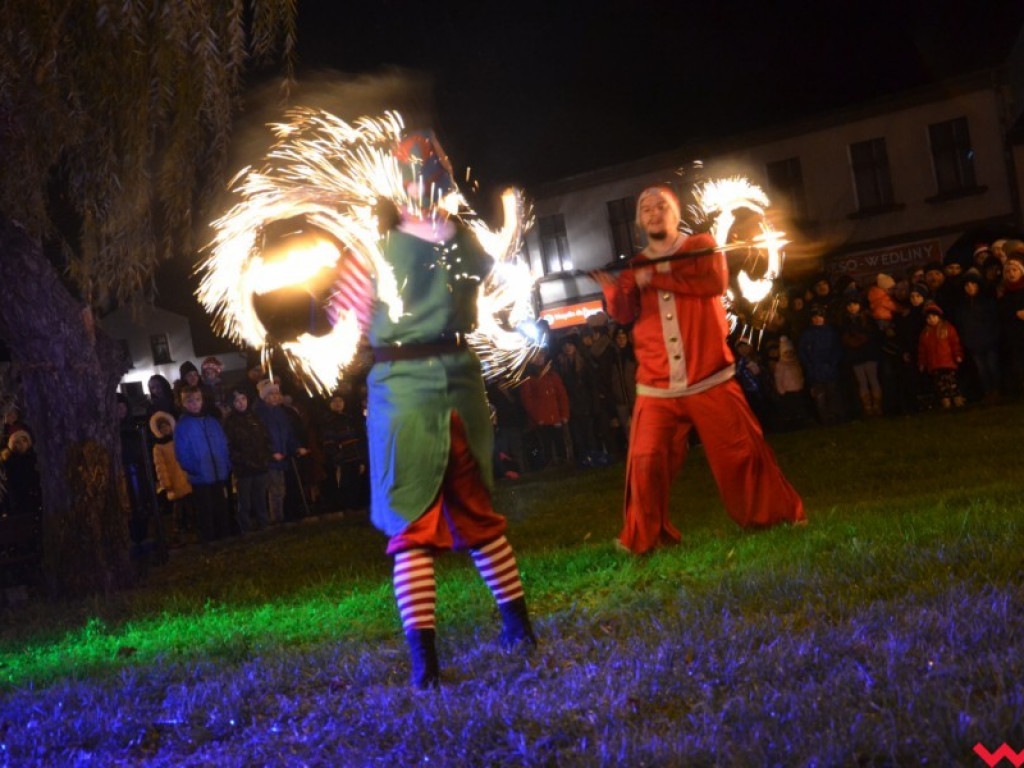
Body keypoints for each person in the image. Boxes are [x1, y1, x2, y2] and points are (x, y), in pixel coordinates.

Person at [334, 130, 536, 688]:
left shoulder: (374, 246)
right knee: (470, 516)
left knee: (413, 526)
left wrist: (323, 305)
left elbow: (341, 322)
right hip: (450, 384)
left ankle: (429, 664)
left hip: (408, 390)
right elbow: (491, 290)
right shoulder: (465, 242)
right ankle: (515, 629)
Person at [592, 185, 805, 555]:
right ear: (640, 221)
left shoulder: (702, 246)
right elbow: (625, 314)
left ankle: (774, 515)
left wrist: (655, 277)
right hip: (657, 385)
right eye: (646, 209)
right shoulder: (634, 266)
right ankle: (644, 537)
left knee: (740, 452)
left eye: (662, 206)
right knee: (645, 463)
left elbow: (713, 283)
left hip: (710, 378)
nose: (654, 213)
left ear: (675, 215)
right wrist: (613, 292)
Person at [173, 385, 232, 542]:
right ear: (184, 404)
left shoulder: (212, 422)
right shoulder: (183, 426)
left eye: (197, 400)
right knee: (205, 509)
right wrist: (193, 468)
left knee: (221, 507)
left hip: (218, 472)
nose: (195, 404)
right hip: (200, 476)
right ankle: (209, 539)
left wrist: (226, 463)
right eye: (190, 401)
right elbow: (181, 451)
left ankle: (224, 536)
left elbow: (223, 444)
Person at [223, 388, 272, 533]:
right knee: (244, 501)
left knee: (260, 498)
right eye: (237, 401)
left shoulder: (255, 417)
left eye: (243, 399)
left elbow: (265, 437)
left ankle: (264, 524)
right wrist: (241, 460)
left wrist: (265, 454)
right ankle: (245, 528)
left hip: (260, 465)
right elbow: (229, 445)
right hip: (243, 468)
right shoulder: (230, 422)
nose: (241, 403)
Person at [149, 411, 192, 547]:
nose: (165, 429)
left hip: (186, 480)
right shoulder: (158, 447)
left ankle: (192, 530)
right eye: (162, 428)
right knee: (179, 510)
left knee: (190, 507)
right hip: (174, 483)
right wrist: (166, 483)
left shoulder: (179, 439)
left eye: (167, 426)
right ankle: (180, 532)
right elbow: (160, 467)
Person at [918, 303, 965, 409]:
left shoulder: (947, 329)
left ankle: (957, 400)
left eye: (934, 316)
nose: (931, 319)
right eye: (929, 317)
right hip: (934, 364)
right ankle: (946, 402)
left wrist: (958, 355)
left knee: (951, 382)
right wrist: (922, 362)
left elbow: (955, 343)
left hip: (948, 362)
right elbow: (922, 350)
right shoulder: (925, 333)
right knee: (941, 384)